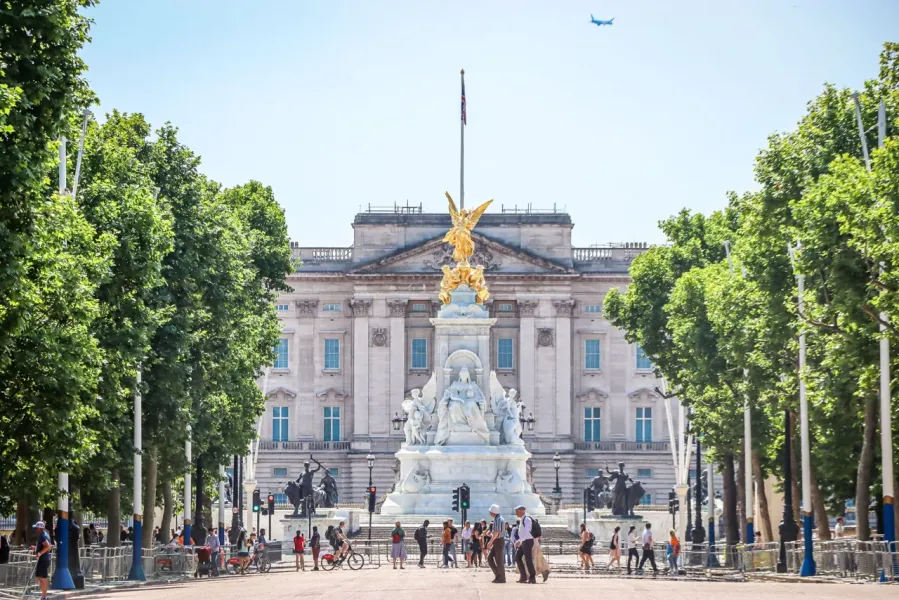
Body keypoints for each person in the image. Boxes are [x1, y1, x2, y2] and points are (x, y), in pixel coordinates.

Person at [514, 505, 536, 584]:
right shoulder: (522, 519)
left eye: (516, 511)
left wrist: (519, 540)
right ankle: (523, 576)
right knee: (517, 557)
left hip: (528, 541)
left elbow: (527, 532)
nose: (516, 513)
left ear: (521, 511)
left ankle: (532, 577)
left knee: (528, 559)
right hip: (524, 541)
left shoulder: (527, 519)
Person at [486, 504, 506, 584]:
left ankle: (501, 577)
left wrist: (490, 542)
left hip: (498, 541)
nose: (490, 513)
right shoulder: (498, 519)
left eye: (490, 511)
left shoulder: (498, 519)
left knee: (499, 560)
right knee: (490, 558)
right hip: (497, 540)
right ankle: (498, 575)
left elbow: (497, 532)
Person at [32, 521, 52, 600]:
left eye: (36, 528)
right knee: (44, 578)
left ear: (40, 528)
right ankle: (44, 596)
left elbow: (47, 547)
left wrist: (39, 553)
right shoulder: (45, 535)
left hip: (43, 560)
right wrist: (36, 548)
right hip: (45, 559)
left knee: (41, 578)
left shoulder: (42, 536)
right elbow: (46, 546)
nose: (35, 529)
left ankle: (44, 597)